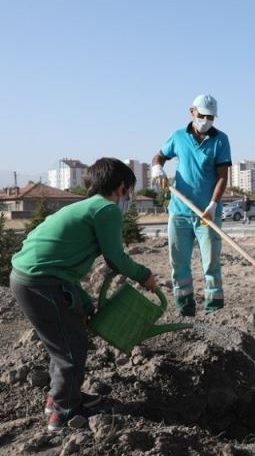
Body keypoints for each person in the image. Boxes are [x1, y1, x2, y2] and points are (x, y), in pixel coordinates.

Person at [9, 158, 157, 432]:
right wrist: (144, 275)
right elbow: (115, 258)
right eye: (129, 191)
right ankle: (64, 414)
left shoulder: (83, 206)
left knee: (63, 342)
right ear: (122, 187)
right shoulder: (106, 209)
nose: (128, 199)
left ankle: (61, 398)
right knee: (71, 348)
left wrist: (83, 300)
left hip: (31, 277)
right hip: (42, 281)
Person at [151, 94, 232, 316]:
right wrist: (157, 168)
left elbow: (222, 177)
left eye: (211, 117)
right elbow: (159, 156)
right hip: (179, 213)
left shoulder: (220, 140)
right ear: (192, 112)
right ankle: (184, 308)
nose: (206, 120)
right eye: (202, 115)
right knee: (179, 264)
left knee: (211, 264)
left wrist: (214, 204)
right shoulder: (178, 137)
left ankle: (214, 310)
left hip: (207, 215)